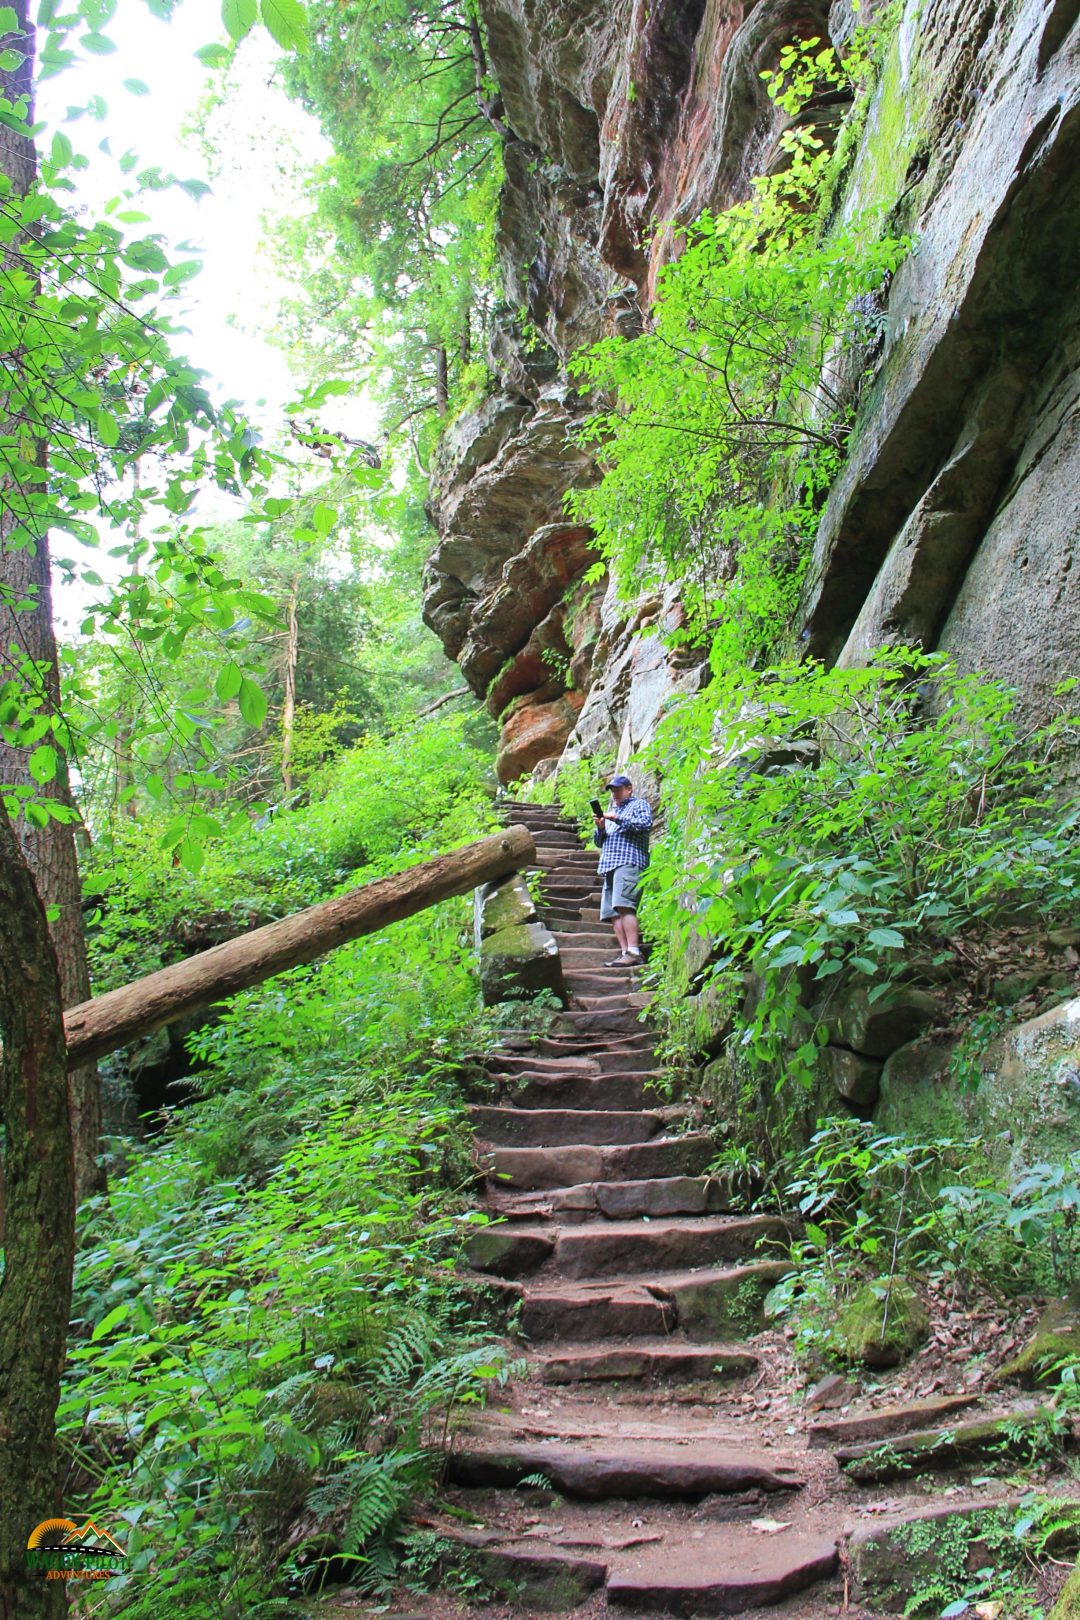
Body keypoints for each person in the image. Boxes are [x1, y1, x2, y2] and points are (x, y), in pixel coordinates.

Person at [593, 773, 654, 967]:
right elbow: (598, 841)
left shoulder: (639, 805)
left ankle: (634, 951)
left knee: (624, 905)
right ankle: (625, 952)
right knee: (611, 912)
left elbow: (645, 825)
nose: (615, 794)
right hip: (610, 865)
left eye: (618, 789)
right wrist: (601, 828)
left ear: (629, 789)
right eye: (612, 791)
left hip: (629, 861)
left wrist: (616, 818)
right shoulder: (611, 812)